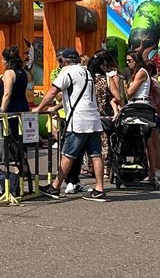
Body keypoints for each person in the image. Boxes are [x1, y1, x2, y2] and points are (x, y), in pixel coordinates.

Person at [30, 49, 107, 201]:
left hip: (78, 120)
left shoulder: (67, 72)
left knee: (68, 154)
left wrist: (39, 108)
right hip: (93, 118)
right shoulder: (86, 72)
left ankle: (55, 187)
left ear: (64, 61)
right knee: (95, 154)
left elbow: (53, 92)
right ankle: (99, 188)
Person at [119, 48, 160, 188]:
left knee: (147, 139)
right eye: (126, 61)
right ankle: (140, 169)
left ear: (137, 61)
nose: (128, 63)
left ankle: (152, 171)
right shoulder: (136, 73)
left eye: (130, 61)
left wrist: (125, 85)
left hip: (139, 105)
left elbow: (129, 93)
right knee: (139, 138)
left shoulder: (141, 73)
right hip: (135, 105)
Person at [0, 47, 30, 114]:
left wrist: (2, 111)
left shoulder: (9, 73)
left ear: (7, 61)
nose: (2, 62)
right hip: (24, 107)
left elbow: (7, 94)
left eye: (3, 60)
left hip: (12, 110)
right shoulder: (23, 72)